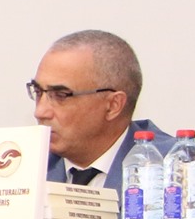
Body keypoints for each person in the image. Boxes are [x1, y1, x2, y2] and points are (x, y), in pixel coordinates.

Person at [31, 29, 161, 197]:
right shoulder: (26, 168)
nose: (40, 112)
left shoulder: (170, 171)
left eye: (61, 95)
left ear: (113, 105)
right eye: (38, 92)